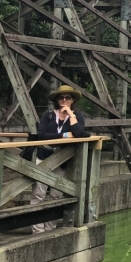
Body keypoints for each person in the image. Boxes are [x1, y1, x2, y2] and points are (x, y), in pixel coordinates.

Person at [29, 85, 90, 233]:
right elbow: (42, 135)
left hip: (63, 159)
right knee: (39, 194)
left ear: (72, 100)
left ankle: (50, 229)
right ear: (56, 99)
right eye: (61, 97)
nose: (64, 100)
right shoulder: (48, 115)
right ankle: (37, 230)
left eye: (67, 98)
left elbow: (79, 133)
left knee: (56, 195)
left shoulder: (77, 116)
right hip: (44, 156)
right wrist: (64, 135)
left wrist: (70, 114)